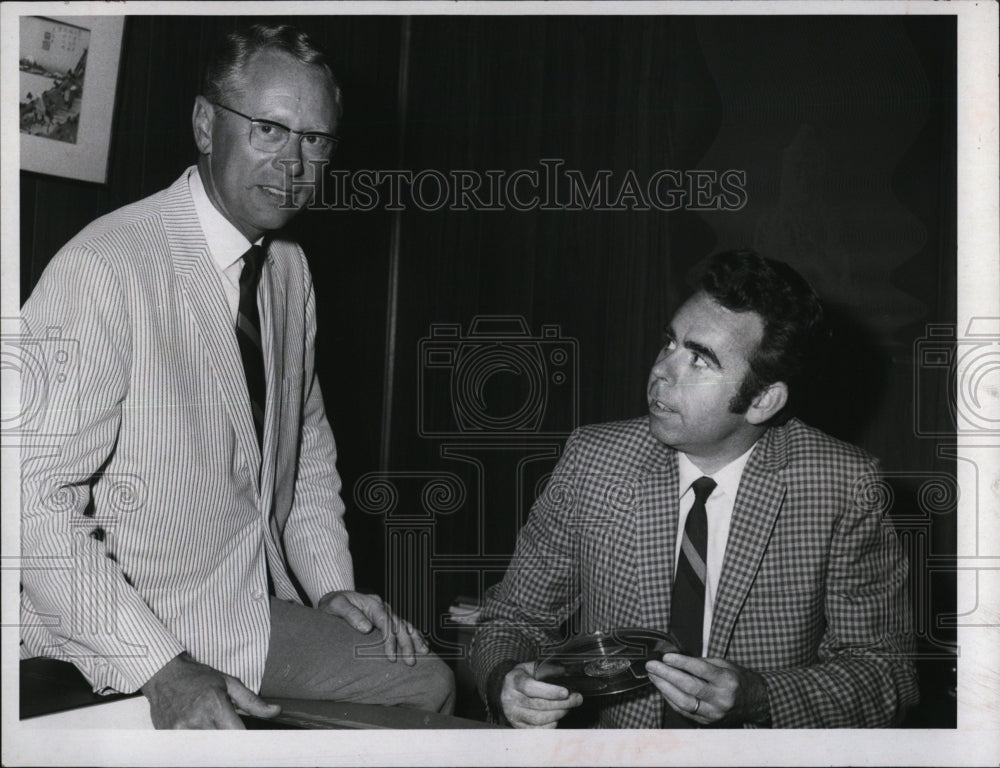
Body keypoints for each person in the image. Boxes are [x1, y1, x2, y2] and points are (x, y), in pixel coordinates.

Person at [19, 23, 453, 729]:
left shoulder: (286, 269)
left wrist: (330, 588)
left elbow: (304, 447)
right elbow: (27, 502)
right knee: (425, 687)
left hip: (242, 606)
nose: (294, 164)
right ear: (203, 124)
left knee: (424, 682)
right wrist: (161, 669)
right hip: (123, 627)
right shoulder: (105, 266)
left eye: (316, 140)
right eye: (269, 130)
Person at [470, 250, 919, 728]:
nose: (662, 370)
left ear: (763, 400)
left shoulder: (841, 486)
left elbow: (887, 673)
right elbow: (512, 619)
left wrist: (761, 695)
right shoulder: (594, 461)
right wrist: (505, 681)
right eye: (670, 342)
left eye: (699, 360)